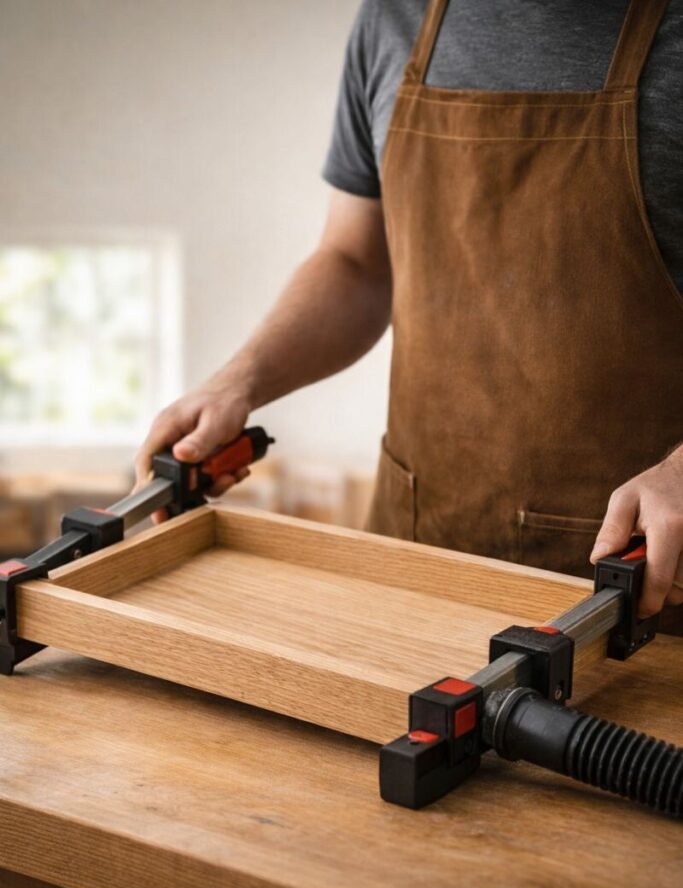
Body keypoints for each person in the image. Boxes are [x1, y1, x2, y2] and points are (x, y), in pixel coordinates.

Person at [135, 0, 683, 632]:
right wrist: (238, 381)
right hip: (415, 564)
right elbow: (355, 261)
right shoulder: (393, 18)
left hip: (639, 593)